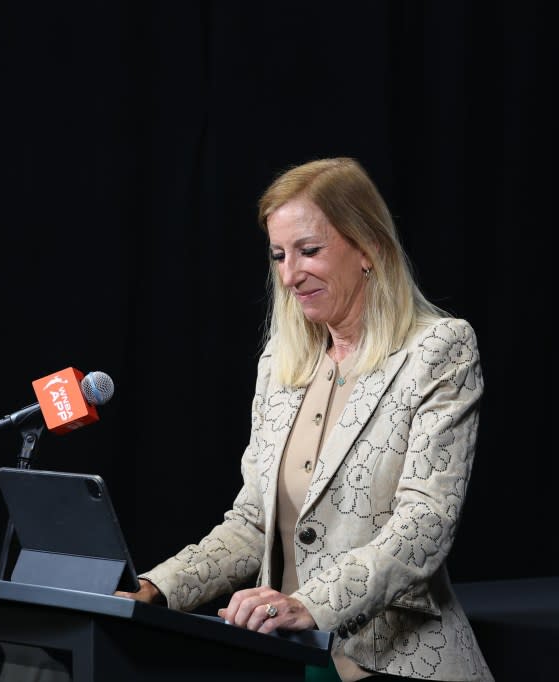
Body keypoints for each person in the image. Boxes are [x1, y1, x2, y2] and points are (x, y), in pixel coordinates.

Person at [116, 157, 493, 682]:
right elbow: (252, 523)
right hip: (291, 661)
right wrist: (156, 587)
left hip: (396, 663)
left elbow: (424, 526)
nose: (290, 275)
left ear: (368, 247)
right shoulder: (281, 362)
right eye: (279, 255)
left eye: (309, 251)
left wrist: (309, 605)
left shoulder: (439, 348)